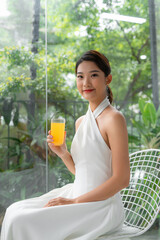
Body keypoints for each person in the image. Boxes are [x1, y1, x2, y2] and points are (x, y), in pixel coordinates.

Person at [1, 50, 130, 240]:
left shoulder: (114, 119)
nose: (86, 83)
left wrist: (74, 201)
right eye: (80, 76)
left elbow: (122, 180)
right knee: (14, 211)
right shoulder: (81, 121)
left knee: (22, 220)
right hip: (77, 194)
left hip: (101, 206)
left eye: (94, 75)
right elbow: (84, 172)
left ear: (107, 79)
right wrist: (63, 153)